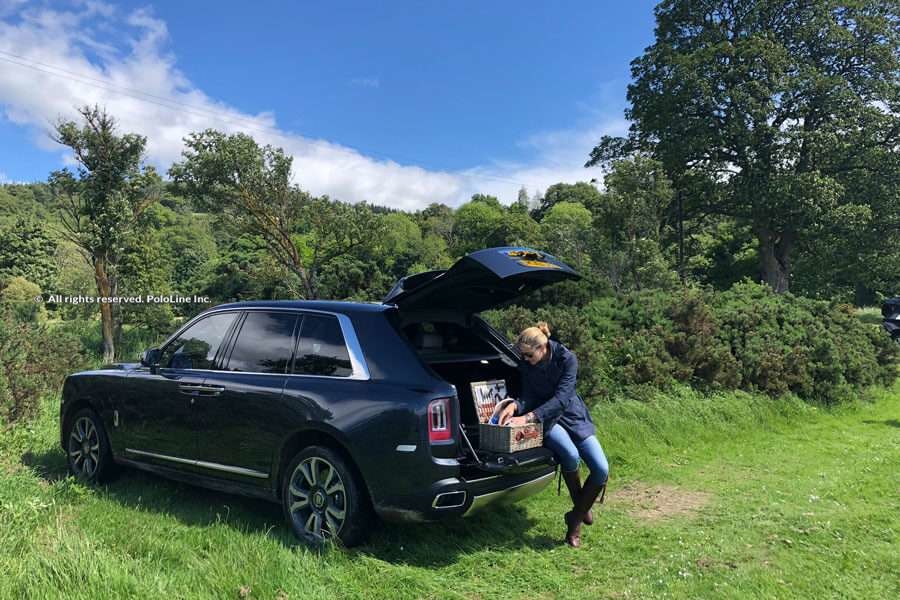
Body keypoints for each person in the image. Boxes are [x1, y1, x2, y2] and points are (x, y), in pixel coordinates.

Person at [498, 321, 609, 548]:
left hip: (572, 416)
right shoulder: (527, 364)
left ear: (543, 347)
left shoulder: (567, 359)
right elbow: (529, 396)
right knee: (569, 455)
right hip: (547, 420)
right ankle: (577, 521)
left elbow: (561, 398)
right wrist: (516, 406)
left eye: (529, 355)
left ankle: (575, 513)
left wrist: (528, 418)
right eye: (524, 356)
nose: (525, 359)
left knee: (601, 469)